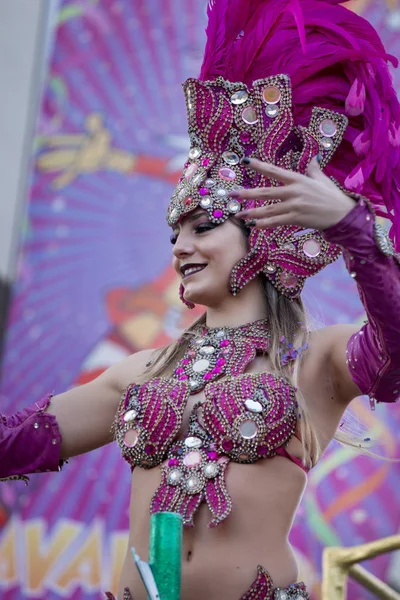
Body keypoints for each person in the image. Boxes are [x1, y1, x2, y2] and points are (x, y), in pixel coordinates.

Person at [2, 1, 400, 598]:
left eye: (202, 226)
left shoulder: (316, 362)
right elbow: (16, 442)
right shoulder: (142, 370)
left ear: (263, 233)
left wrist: (350, 228)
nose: (181, 246)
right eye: (174, 232)